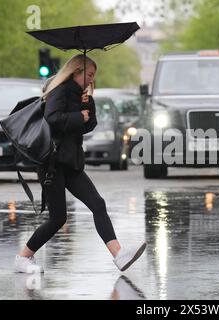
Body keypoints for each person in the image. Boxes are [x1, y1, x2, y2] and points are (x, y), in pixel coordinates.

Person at [14, 54, 146, 274]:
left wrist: (88, 107)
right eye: (89, 75)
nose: (91, 80)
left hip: (71, 163)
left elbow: (87, 125)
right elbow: (52, 119)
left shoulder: (79, 95)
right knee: (58, 219)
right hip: (53, 164)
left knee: (98, 204)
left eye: (94, 76)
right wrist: (79, 116)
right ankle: (23, 257)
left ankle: (119, 255)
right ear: (76, 71)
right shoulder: (59, 90)